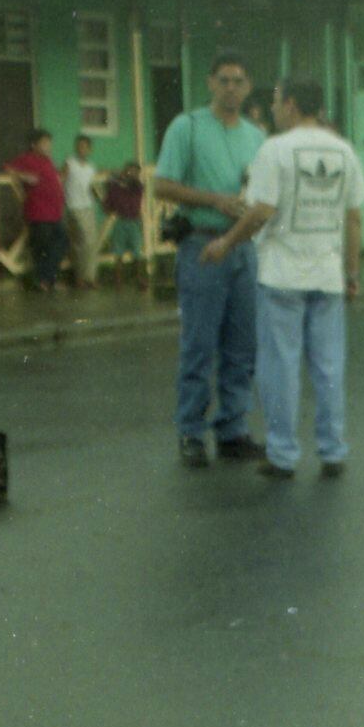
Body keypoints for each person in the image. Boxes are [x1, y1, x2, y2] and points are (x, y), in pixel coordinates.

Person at [202, 76, 364, 480]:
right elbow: (355, 217)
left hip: (282, 275)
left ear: (291, 105)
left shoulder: (274, 149)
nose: (272, 109)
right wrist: (352, 272)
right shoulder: (344, 150)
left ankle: (282, 454)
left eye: (275, 101)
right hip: (327, 274)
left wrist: (226, 242)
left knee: (280, 366)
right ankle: (332, 450)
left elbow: (260, 212)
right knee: (328, 366)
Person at [151, 51, 266, 469]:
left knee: (242, 345)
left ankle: (232, 429)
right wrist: (214, 200)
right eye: (224, 80)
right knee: (199, 344)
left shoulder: (256, 136)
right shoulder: (188, 126)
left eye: (238, 80)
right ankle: (191, 433)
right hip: (201, 244)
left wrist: (247, 205)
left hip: (243, 248)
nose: (231, 87)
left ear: (248, 86)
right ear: (210, 83)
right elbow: (162, 185)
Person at [3, 128, 66, 292]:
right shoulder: (26, 159)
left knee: (61, 242)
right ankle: (43, 281)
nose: (48, 146)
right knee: (43, 247)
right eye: (44, 143)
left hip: (54, 212)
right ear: (34, 145)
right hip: (39, 211)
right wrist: (24, 176)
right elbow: (7, 168)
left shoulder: (48, 161)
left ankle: (48, 279)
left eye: (49, 143)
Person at [63, 134, 102, 289]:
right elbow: (61, 180)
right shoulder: (69, 163)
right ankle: (80, 277)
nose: (82, 149)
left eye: (85, 146)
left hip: (88, 206)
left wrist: (101, 199)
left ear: (89, 149)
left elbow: (92, 186)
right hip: (73, 206)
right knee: (81, 241)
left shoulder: (91, 167)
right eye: (79, 146)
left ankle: (90, 278)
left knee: (91, 243)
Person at [102, 161, 146, 285]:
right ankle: (118, 280)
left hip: (134, 222)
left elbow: (135, 185)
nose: (132, 174)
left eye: (135, 172)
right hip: (120, 221)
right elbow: (108, 206)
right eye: (129, 171)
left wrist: (116, 180)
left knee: (137, 252)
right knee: (118, 252)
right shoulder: (114, 188)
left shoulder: (138, 187)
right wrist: (114, 181)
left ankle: (140, 278)